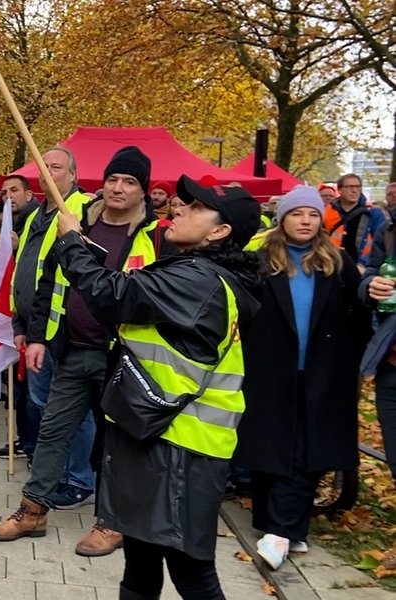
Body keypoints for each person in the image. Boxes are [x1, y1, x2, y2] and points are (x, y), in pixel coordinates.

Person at [52, 175, 261, 599]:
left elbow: (110, 294)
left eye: (195, 207)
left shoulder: (199, 281)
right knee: (141, 558)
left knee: (190, 571)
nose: (179, 208)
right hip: (152, 434)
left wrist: (72, 241)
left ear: (220, 231)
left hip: (181, 447)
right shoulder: (193, 273)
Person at [0, 146, 176, 558]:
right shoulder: (76, 223)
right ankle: (33, 509)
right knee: (53, 430)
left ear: (144, 190)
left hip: (125, 359)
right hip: (72, 349)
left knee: (118, 443)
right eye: (113, 179)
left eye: (129, 182)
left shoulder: (159, 235)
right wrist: (37, 337)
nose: (118, 188)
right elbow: (47, 282)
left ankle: (112, 522)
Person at [237, 186, 369, 571]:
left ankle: (279, 531)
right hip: (269, 369)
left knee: (305, 449)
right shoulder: (260, 260)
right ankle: (282, 526)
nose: (306, 221)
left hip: (321, 371)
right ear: (283, 219)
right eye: (297, 214)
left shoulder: (337, 262)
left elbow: (356, 312)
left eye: (313, 215)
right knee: (269, 445)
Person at [3, 149, 95, 503]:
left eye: (56, 167)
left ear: (72, 175)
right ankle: (54, 472)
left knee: (74, 410)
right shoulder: (33, 216)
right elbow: (25, 271)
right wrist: (20, 321)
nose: (47, 172)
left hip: (68, 331)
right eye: (43, 167)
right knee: (43, 405)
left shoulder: (83, 211)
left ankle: (79, 480)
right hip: (38, 329)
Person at [323, 173, 385, 271]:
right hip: (331, 266)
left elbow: (382, 243)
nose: (354, 190)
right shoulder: (327, 212)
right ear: (339, 190)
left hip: (361, 268)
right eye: (350, 187)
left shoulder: (373, 214)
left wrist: (366, 266)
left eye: (358, 187)